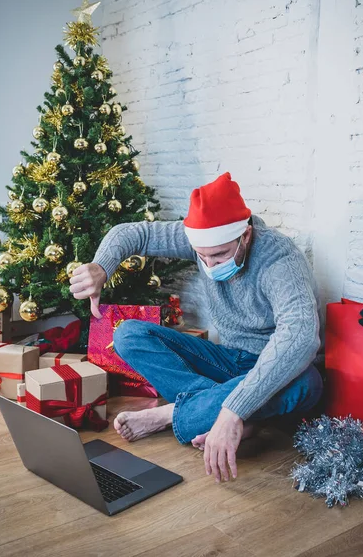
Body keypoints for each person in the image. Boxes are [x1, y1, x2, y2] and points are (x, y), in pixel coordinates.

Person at [70, 172, 323, 484]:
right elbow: (131, 234)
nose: (211, 266)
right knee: (128, 335)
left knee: (308, 382)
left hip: (270, 365)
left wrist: (231, 411)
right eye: (202, 257)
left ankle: (173, 414)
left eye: (219, 255)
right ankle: (232, 416)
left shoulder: (279, 258)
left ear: (245, 235)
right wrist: (100, 267)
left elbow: (299, 336)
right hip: (228, 360)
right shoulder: (200, 237)